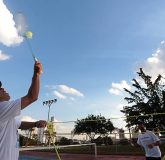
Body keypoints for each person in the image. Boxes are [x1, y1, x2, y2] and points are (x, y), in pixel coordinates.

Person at [0, 61, 47, 160]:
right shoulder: (1, 108)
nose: (3, 88)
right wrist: (36, 74)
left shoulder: (5, 114)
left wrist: (35, 123)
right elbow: (32, 97)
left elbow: (19, 124)